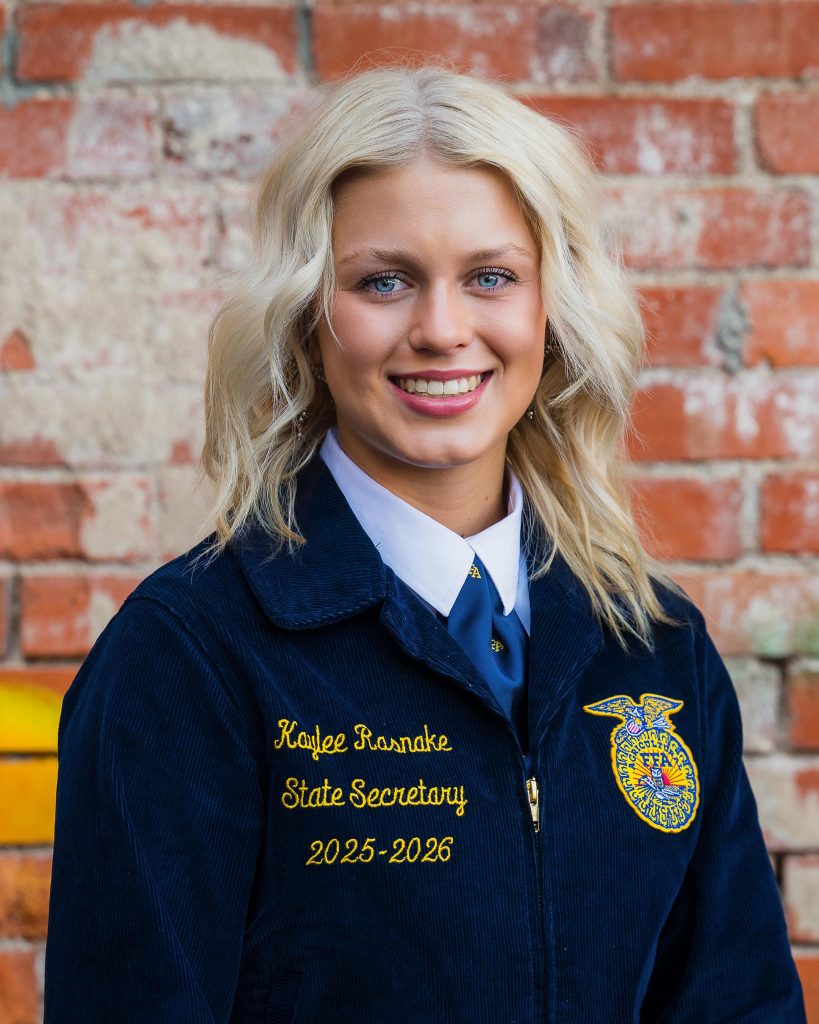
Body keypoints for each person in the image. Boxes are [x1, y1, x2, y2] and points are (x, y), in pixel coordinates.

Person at [43, 60, 806, 1023]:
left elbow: (738, 1005)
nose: (442, 330)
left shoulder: (654, 648)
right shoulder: (187, 660)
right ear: (307, 313)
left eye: (490, 277)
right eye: (384, 281)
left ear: (548, 308)